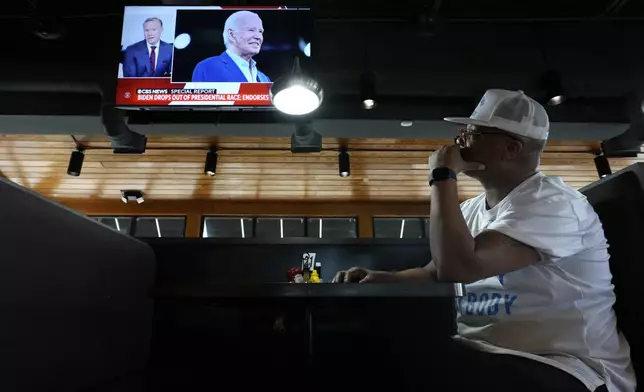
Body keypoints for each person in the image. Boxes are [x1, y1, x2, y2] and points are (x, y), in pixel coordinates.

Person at [333, 89, 636, 392]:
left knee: (406, 356)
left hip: (567, 367)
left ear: (510, 148)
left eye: (473, 131)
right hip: (488, 354)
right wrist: (381, 279)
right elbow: (436, 272)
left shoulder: (555, 203)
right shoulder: (469, 209)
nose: (460, 137)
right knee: (368, 341)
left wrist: (442, 176)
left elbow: (459, 267)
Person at [191, 11, 271, 83]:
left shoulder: (264, 78)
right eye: (251, 30)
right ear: (231, 34)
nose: (258, 36)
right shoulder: (208, 67)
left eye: (260, 31)